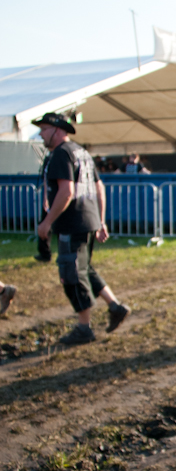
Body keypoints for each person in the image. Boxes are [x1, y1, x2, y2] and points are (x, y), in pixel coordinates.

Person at [34, 112, 131, 345]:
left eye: (44, 129)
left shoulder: (60, 154)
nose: (40, 133)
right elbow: (99, 188)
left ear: (57, 130)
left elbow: (66, 192)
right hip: (87, 220)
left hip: (71, 222)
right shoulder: (82, 153)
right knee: (85, 268)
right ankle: (115, 306)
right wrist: (100, 220)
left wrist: (47, 222)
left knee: (71, 274)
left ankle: (84, 327)